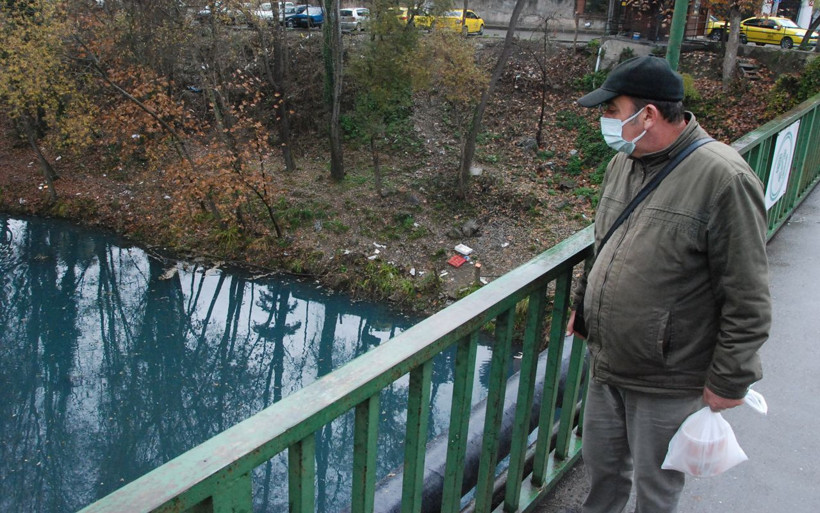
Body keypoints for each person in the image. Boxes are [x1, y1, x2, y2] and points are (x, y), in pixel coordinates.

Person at [567, 55, 771, 513]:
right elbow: (605, 242)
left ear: (649, 115)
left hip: (668, 376)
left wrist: (729, 380)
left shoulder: (724, 178)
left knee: (656, 489)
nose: (605, 121)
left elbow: (749, 294)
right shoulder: (625, 162)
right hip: (608, 361)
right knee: (602, 471)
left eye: (612, 111)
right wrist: (583, 307)